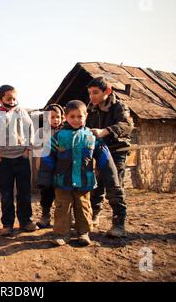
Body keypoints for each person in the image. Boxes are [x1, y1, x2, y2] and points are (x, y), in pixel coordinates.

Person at [38, 100, 124, 246]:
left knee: (83, 207)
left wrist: (112, 179)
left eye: (80, 116)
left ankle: (83, 233)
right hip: (62, 181)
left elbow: (106, 161)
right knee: (62, 208)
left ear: (86, 116)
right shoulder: (58, 137)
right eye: (72, 116)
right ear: (66, 117)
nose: (76, 120)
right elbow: (47, 158)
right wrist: (44, 180)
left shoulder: (92, 137)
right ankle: (62, 234)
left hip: (84, 181)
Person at [0, 84, 38, 237]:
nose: (12, 101)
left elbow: (30, 130)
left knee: (24, 192)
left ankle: (26, 221)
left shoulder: (22, 112)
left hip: (21, 158)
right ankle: (7, 224)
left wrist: (28, 149)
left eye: (14, 98)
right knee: (6, 193)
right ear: (0, 100)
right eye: (8, 98)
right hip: (4, 161)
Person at [86, 77, 131, 237]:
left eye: (96, 93)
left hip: (116, 151)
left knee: (114, 186)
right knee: (96, 185)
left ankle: (119, 224)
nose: (92, 96)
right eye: (90, 93)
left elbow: (126, 126)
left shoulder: (119, 106)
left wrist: (104, 131)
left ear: (108, 91)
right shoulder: (91, 108)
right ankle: (93, 216)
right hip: (98, 151)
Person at [33, 104, 65, 228]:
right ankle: (45, 216)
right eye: (52, 117)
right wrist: (38, 164)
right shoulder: (40, 132)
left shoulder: (65, 131)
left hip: (62, 167)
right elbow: (37, 149)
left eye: (58, 117)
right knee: (46, 192)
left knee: (62, 193)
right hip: (46, 168)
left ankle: (62, 218)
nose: (55, 120)